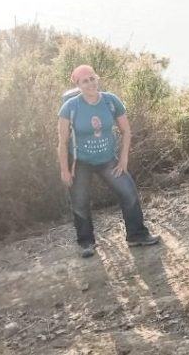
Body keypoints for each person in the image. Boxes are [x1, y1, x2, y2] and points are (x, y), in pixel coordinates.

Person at [57, 64, 159, 258]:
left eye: (92, 79)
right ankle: (86, 243)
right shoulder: (70, 107)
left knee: (128, 192)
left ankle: (137, 235)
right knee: (79, 202)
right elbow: (62, 142)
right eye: (84, 81)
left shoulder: (111, 101)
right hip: (80, 162)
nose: (90, 84)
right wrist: (64, 170)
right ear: (78, 85)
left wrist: (123, 159)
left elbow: (126, 131)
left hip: (107, 159)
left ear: (97, 79)